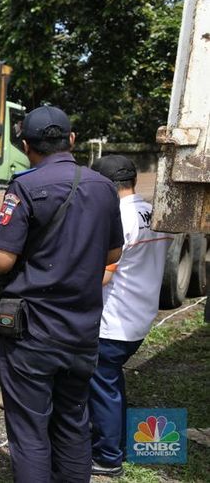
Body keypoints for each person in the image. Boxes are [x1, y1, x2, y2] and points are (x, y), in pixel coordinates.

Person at [0, 105, 124, 482]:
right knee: (73, 423)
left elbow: (1, 261)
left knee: (30, 431)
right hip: (81, 332)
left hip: (32, 335)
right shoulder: (103, 187)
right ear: (73, 140)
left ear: (27, 145)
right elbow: (114, 253)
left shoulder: (25, 187)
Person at [88, 155, 173, 477]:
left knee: (102, 386)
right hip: (140, 316)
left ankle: (108, 457)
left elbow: (102, 276)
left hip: (114, 319)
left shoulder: (117, 218)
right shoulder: (152, 211)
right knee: (111, 382)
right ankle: (119, 443)